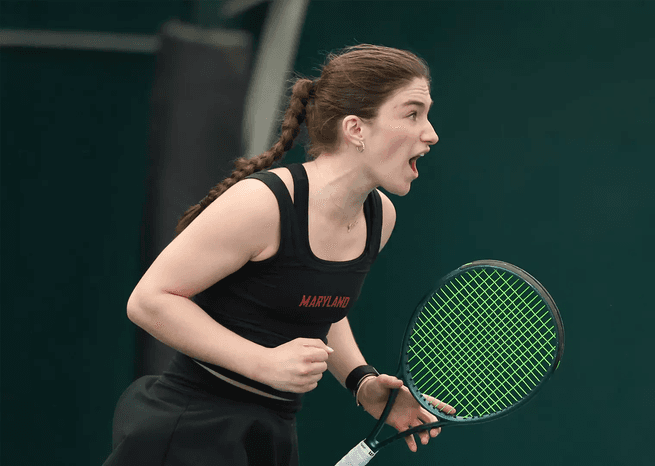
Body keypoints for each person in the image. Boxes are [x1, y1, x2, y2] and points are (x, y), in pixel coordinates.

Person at [103, 44, 445, 466]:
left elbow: (320, 304)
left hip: (273, 432)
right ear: (356, 128)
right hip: (190, 429)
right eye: (412, 114)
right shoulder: (262, 204)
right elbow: (149, 301)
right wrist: (262, 362)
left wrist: (362, 381)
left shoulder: (380, 217)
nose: (430, 133)